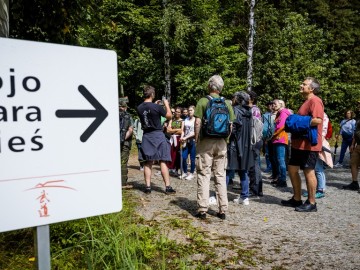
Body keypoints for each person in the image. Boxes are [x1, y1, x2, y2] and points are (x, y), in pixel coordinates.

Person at [194, 75, 235, 220]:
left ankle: (203, 209)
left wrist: (197, 138)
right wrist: (226, 140)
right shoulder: (227, 103)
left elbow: (198, 122)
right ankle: (222, 209)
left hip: (206, 142)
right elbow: (231, 125)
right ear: (221, 88)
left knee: (204, 174)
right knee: (220, 175)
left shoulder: (203, 101)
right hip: (222, 142)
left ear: (210, 86)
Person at [281, 77, 324, 212]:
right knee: (292, 169)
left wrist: (298, 121)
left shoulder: (315, 101)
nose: (301, 85)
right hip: (297, 144)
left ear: (312, 88)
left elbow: (317, 120)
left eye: (304, 84)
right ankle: (296, 198)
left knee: (308, 171)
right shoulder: (306, 101)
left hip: (309, 145)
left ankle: (312, 203)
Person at [136, 85, 176, 194]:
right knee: (163, 160)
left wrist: (156, 106)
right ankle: (167, 187)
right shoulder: (156, 107)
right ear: (152, 94)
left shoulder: (139, 107)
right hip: (158, 135)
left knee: (148, 162)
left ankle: (148, 187)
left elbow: (148, 112)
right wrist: (166, 104)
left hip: (147, 135)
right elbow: (169, 116)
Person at [228, 91, 254, 205]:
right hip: (246, 145)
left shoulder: (235, 110)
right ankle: (245, 196)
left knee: (228, 170)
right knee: (243, 171)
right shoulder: (249, 112)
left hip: (235, 144)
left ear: (237, 99)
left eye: (233, 97)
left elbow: (233, 129)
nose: (232, 99)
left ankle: (220, 196)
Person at [271, 99, 291, 187]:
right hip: (277, 139)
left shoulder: (283, 113)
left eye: (275, 104)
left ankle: (282, 180)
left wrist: (272, 135)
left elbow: (281, 126)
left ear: (281, 104)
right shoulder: (280, 113)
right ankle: (279, 178)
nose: (273, 105)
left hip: (280, 138)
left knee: (280, 159)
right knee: (277, 160)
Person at [248, 91, 263, 196]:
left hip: (254, 140)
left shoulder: (254, 110)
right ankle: (256, 188)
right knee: (254, 164)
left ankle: (255, 189)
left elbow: (256, 127)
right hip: (255, 140)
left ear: (252, 99)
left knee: (254, 165)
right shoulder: (253, 109)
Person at [343, 101, 360, 191]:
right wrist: (353, 144)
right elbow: (356, 131)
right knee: (353, 163)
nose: (358, 106)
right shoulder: (358, 117)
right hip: (357, 145)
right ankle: (354, 183)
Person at [119, 101, 134, 187]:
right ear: (126, 107)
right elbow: (130, 130)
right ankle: (123, 183)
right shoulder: (128, 116)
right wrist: (123, 139)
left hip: (116, 144)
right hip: (125, 143)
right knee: (123, 162)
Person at [180, 105, 196, 180]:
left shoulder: (196, 120)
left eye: (191, 110)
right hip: (185, 141)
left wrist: (186, 137)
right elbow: (183, 130)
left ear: (194, 111)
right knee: (184, 157)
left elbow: (195, 132)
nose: (189, 112)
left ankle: (192, 173)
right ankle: (185, 172)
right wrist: (182, 137)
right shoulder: (185, 120)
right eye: (189, 110)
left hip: (193, 141)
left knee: (192, 158)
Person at [167, 106, 183, 176]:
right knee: (171, 153)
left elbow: (181, 131)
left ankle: (176, 168)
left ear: (181, 113)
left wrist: (172, 131)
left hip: (178, 139)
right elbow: (168, 130)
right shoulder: (171, 120)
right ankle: (170, 168)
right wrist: (176, 130)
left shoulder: (182, 121)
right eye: (176, 111)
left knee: (177, 154)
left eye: (179, 112)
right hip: (172, 139)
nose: (177, 113)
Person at [262, 101, 275, 173]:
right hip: (268, 136)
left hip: (275, 135)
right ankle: (269, 166)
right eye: (269, 105)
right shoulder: (265, 115)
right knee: (267, 153)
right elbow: (264, 127)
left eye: (271, 105)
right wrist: (264, 137)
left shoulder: (277, 114)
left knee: (273, 153)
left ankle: (272, 167)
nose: (270, 106)